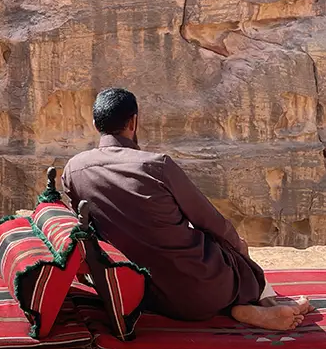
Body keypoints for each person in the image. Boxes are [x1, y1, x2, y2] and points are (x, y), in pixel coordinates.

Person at [61, 88, 310, 331]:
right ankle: (263, 301)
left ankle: (250, 305)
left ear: (96, 124)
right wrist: (239, 248)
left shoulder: (73, 170)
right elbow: (209, 220)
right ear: (134, 122)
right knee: (231, 246)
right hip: (200, 291)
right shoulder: (156, 166)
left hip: (142, 293)